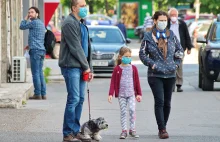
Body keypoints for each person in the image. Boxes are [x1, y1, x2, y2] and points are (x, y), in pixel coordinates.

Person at [139, 11, 184, 139]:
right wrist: (152, 64)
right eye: (161, 20)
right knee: (160, 101)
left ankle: (163, 125)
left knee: (167, 103)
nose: (163, 22)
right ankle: (162, 129)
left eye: (165, 20)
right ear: (155, 21)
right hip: (155, 75)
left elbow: (180, 51)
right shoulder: (148, 36)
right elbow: (142, 54)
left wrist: (176, 64)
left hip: (170, 74)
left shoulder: (171, 35)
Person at [58, 0, 94, 142]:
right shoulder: (69, 23)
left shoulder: (82, 23)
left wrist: (89, 67)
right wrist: (86, 67)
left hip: (82, 66)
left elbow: (88, 48)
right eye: (82, 6)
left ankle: (75, 130)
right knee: (74, 98)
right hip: (71, 65)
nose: (85, 8)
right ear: (74, 8)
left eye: (85, 5)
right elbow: (75, 48)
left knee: (80, 99)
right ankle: (68, 133)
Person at [108, 47, 142, 139]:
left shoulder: (133, 68)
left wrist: (139, 94)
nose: (128, 58)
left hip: (131, 94)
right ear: (120, 57)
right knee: (123, 112)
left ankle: (132, 129)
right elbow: (113, 82)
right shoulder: (117, 69)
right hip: (121, 95)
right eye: (126, 56)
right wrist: (110, 94)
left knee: (132, 110)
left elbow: (137, 82)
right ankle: (124, 131)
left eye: (129, 56)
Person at [20, 7, 47, 100]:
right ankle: (43, 93)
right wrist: (29, 45)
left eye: (32, 12)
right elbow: (37, 37)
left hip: (35, 51)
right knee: (40, 73)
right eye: (29, 12)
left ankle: (37, 94)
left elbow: (22, 26)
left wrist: (25, 17)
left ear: (37, 14)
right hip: (41, 50)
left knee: (35, 73)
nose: (30, 14)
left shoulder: (33, 22)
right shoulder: (41, 23)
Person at [167, 8, 194, 92]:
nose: (173, 17)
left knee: (179, 66)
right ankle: (171, 85)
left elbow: (187, 35)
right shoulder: (166, 24)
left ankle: (179, 84)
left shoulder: (182, 24)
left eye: (175, 15)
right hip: (168, 48)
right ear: (169, 16)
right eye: (172, 15)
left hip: (180, 48)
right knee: (170, 66)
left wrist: (189, 47)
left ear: (177, 15)